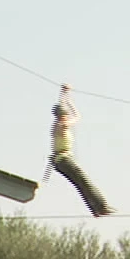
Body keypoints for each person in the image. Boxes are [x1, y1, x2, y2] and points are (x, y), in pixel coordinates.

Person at [49, 85, 113, 217]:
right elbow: (78, 117)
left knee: (80, 184)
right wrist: (70, 103)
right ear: (63, 116)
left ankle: (96, 210)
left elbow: (60, 106)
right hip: (65, 159)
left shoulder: (56, 124)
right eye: (65, 114)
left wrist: (64, 95)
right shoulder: (63, 125)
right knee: (85, 182)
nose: (67, 116)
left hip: (59, 161)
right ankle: (102, 206)